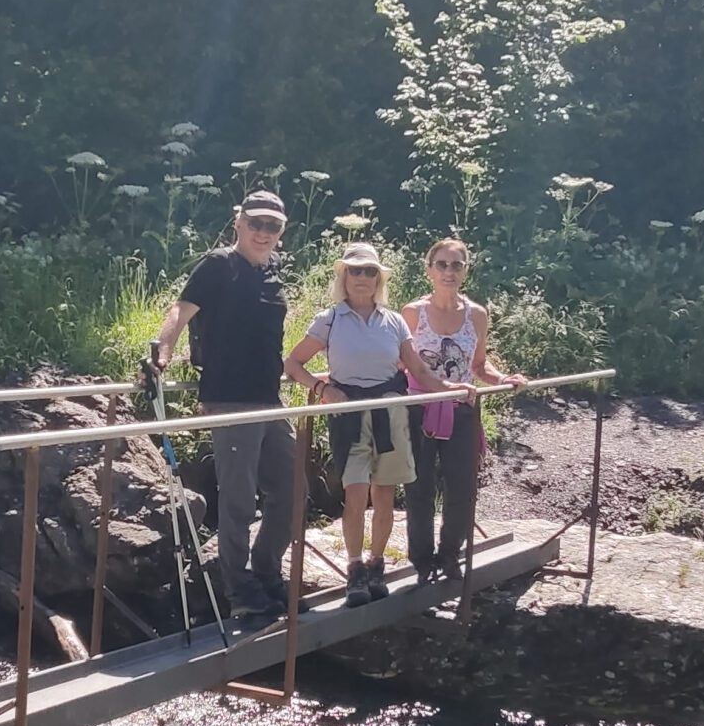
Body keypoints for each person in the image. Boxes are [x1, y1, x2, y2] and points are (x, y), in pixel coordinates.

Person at [150, 189, 295, 617]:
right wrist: (162, 351)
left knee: (290, 492)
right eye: (256, 224)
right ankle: (239, 590)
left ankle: (266, 571)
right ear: (239, 223)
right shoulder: (218, 265)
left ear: (281, 231)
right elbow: (181, 310)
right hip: (230, 398)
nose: (263, 233)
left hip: (270, 399)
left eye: (272, 226)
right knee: (238, 500)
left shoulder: (272, 272)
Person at [283, 241, 451, 605]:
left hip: (390, 412)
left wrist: (451, 390)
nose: (362, 277)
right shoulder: (329, 320)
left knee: (385, 493)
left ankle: (377, 564)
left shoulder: (393, 322)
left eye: (369, 271)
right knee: (355, 492)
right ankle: (355, 568)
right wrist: (322, 388)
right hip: (348, 414)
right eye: (355, 270)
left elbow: (417, 368)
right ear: (344, 276)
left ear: (379, 279)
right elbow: (293, 364)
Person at [401, 236, 519, 583]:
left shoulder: (476, 315)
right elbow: (400, 363)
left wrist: (503, 378)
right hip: (420, 408)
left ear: (466, 271)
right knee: (419, 487)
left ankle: (450, 554)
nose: (449, 272)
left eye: (457, 265)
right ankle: (422, 561)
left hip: (462, 409)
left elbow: (479, 365)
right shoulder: (413, 313)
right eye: (442, 264)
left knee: (463, 487)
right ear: (429, 270)